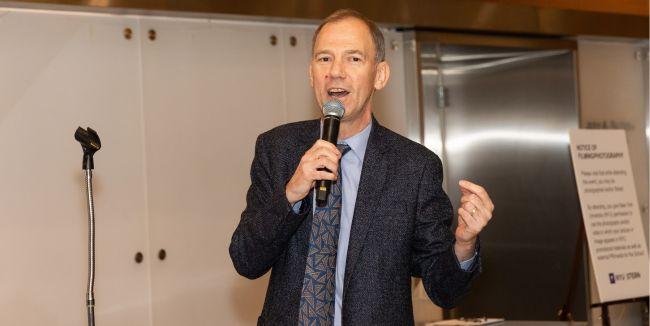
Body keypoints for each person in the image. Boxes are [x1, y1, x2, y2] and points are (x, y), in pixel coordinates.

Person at [229, 9, 494, 325]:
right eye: (324, 59)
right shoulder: (277, 149)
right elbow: (246, 260)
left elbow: (443, 290)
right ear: (311, 73)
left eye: (353, 59)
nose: (335, 72)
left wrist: (464, 244)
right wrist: (292, 193)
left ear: (380, 75)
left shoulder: (414, 167)